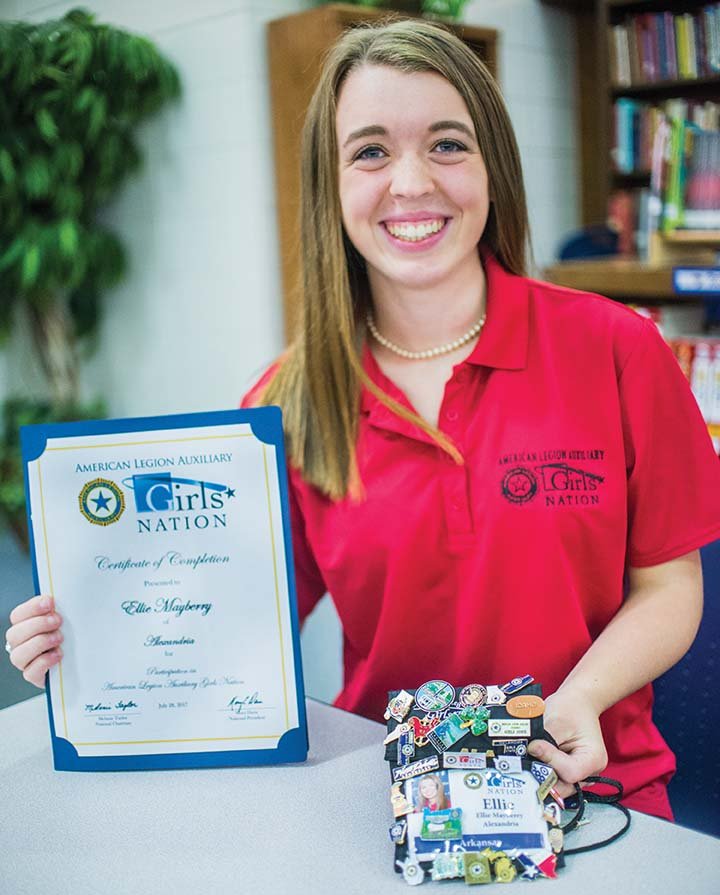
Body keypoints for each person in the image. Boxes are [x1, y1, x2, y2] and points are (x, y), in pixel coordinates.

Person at [6, 20, 720, 822]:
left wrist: (579, 697)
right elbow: (228, 624)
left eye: (447, 144)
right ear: (332, 184)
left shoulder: (618, 348)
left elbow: (668, 585)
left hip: (593, 787)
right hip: (397, 803)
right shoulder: (284, 406)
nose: (411, 182)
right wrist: (94, 650)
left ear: (493, 169)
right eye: (371, 151)